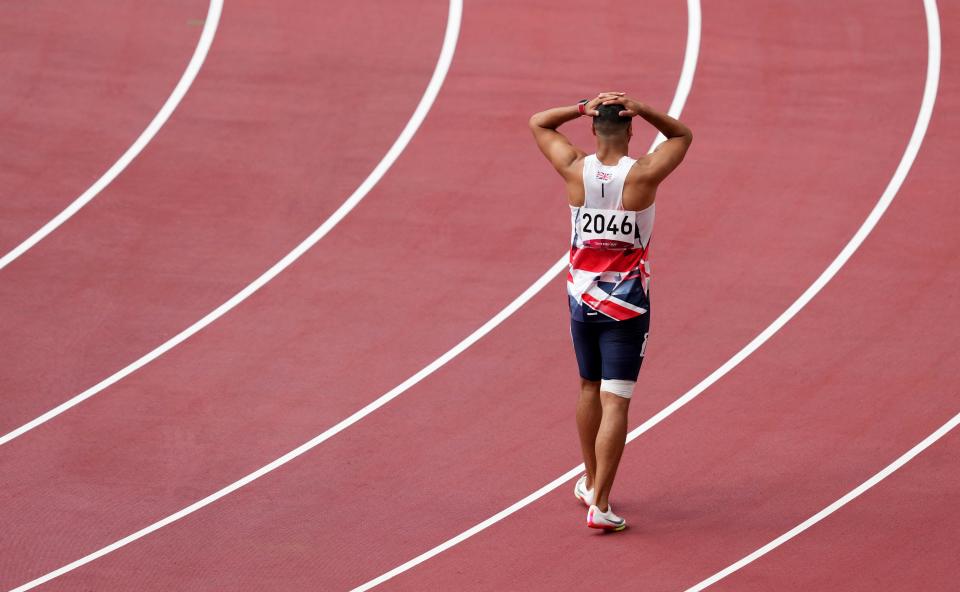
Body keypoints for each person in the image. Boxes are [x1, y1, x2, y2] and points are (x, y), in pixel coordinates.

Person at [528, 92, 692, 530]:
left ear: (593, 131)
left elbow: (540, 122)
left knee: (587, 387)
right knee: (615, 400)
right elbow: (682, 134)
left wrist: (581, 106)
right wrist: (645, 107)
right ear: (631, 131)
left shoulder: (573, 167)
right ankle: (600, 502)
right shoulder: (643, 174)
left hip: (581, 299)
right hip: (627, 305)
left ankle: (589, 480)